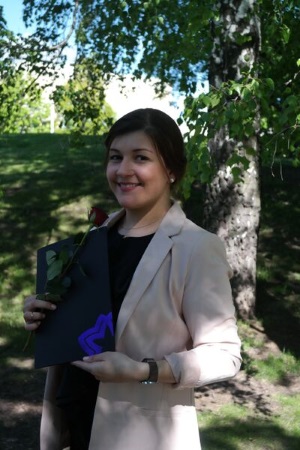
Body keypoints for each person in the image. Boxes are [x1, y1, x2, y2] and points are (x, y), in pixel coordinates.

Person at [23, 108, 242, 450]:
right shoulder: (93, 238)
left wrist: (143, 371)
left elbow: (225, 355)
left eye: (140, 158)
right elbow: (80, 328)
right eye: (115, 157)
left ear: (171, 169)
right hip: (73, 426)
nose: (124, 171)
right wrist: (43, 314)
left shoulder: (197, 248)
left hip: (139, 436)